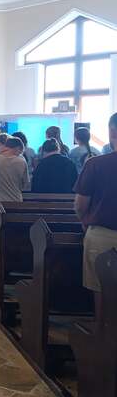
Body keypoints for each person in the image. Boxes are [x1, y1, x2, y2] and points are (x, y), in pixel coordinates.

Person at [75, 113, 117, 318]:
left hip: (103, 235)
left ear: (112, 132)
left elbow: (80, 205)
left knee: (101, 291)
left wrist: (85, 222)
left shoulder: (96, 164)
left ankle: (103, 331)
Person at [0, 137, 30, 202]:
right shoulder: (22, 161)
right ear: (18, 148)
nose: (20, 154)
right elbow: (26, 183)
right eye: (21, 151)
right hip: (15, 199)